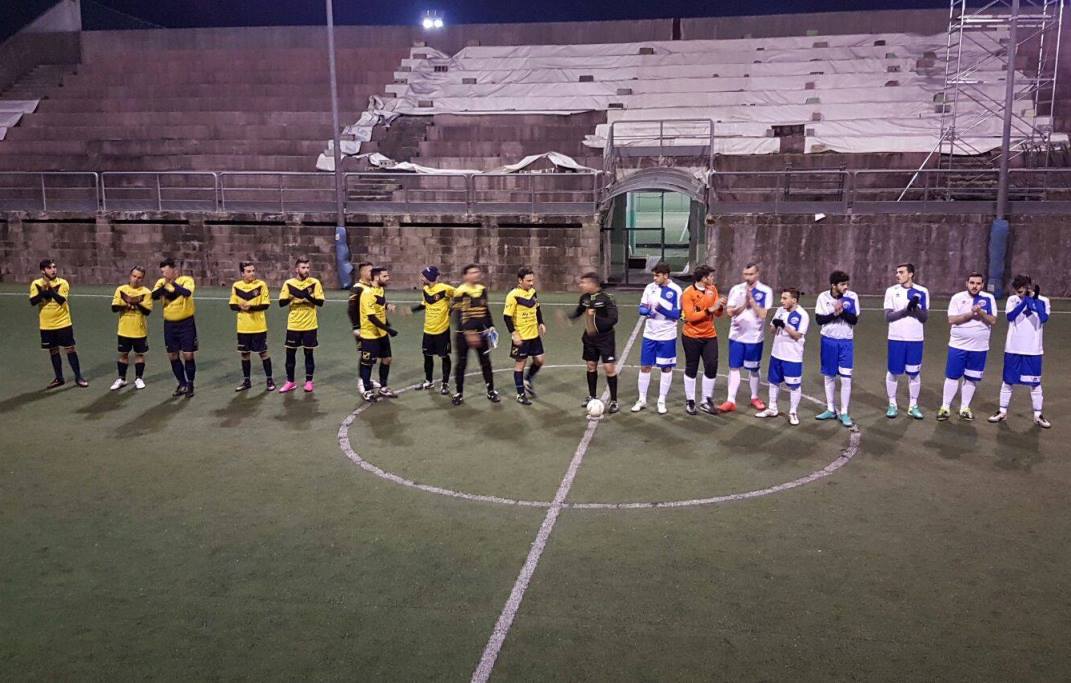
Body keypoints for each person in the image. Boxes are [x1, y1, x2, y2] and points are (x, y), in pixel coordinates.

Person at [989, 274, 1051, 428]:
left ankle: (1038, 414)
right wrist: (1025, 302)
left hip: (1033, 349)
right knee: (1008, 380)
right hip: (1013, 348)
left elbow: (1043, 318)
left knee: (1035, 383)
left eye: (1022, 290)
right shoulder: (1012, 300)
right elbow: (1011, 317)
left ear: (1029, 287)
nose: (1019, 293)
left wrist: (1034, 301)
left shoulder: (1043, 300)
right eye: (1017, 291)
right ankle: (1002, 411)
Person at [939, 272, 996, 421]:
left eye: (978, 283)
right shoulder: (957, 298)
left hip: (979, 348)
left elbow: (992, 320)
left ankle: (964, 407)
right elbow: (952, 319)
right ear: (967, 283)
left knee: (971, 378)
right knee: (952, 377)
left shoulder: (989, 299)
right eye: (972, 283)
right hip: (958, 346)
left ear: (982, 285)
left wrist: (981, 312)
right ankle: (945, 407)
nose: (974, 286)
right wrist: (971, 314)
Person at [719, 262, 774, 413]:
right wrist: (744, 305)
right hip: (736, 336)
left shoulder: (765, 291)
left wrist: (753, 303)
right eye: (745, 274)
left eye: (750, 274)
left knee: (754, 369)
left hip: (754, 338)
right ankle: (731, 400)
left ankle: (755, 397)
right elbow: (729, 312)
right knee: (734, 367)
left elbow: (763, 314)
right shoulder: (736, 289)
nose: (747, 277)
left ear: (757, 274)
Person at [632, 262, 682, 415]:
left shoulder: (676, 290)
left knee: (666, 368)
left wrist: (661, 309)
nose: (654, 278)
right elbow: (642, 307)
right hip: (650, 334)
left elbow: (677, 315)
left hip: (667, 335)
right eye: (654, 275)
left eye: (657, 275)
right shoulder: (650, 288)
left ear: (665, 275)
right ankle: (642, 399)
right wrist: (647, 312)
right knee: (645, 366)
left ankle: (661, 400)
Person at [29, 258, 87, 389]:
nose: (53, 270)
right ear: (43, 270)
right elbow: (33, 301)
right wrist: (43, 292)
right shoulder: (35, 284)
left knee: (70, 349)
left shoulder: (63, 283)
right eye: (49, 268)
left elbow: (61, 300)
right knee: (53, 351)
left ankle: (79, 376)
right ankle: (59, 378)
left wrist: (50, 290)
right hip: (46, 325)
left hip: (63, 323)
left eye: (54, 267)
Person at [756, 288, 809, 426]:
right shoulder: (780, 311)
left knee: (794, 385)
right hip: (777, 353)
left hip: (792, 357)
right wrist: (775, 325)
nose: (782, 301)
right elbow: (772, 330)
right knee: (773, 382)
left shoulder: (802, 315)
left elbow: (797, 335)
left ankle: (793, 412)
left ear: (794, 300)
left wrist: (784, 326)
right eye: (782, 298)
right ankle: (772, 408)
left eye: (785, 298)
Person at [568, 271, 620, 414]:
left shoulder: (607, 298)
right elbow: (579, 311)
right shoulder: (584, 298)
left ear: (592, 283)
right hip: (589, 338)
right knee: (591, 366)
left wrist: (596, 318)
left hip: (605, 338)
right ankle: (592, 396)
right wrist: (569, 317)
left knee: (609, 368)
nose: (581, 285)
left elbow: (613, 319)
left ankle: (614, 400)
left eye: (583, 282)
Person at [814, 270, 860, 427]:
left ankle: (845, 412)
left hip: (846, 342)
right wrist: (835, 313)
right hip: (828, 341)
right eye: (842, 284)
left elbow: (854, 319)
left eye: (847, 284)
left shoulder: (852, 297)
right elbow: (819, 319)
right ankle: (830, 409)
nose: (846, 287)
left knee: (846, 377)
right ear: (834, 285)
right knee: (829, 376)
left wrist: (843, 311)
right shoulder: (823, 297)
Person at [883, 263, 929, 419]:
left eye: (901, 272)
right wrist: (905, 310)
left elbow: (924, 318)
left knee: (914, 373)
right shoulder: (891, 291)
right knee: (893, 372)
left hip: (915, 339)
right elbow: (888, 316)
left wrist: (915, 308)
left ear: (911, 274)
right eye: (897, 272)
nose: (898, 275)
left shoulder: (922, 292)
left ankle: (913, 405)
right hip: (896, 338)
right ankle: (892, 404)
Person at [450, 264, 500, 406]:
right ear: (465, 276)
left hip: (482, 333)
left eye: (477, 272)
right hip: (463, 335)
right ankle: (459, 393)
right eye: (472, 272)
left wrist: (491, 326)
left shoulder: (482, 290)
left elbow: (485, 310)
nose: (476, 275)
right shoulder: (460, 291)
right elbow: (459, 316)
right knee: (461, 363)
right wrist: (469, 333)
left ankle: (491, 390)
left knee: (485, 362)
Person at [680, 265, 724, 415]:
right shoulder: (688, 293)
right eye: (710, 276)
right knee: (691, 367)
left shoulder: (713, 290)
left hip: (709, 335)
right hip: (691, 336)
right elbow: (690, 317)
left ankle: (706, 400)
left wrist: (719, 307)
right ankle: (690, 400)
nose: (713, 279)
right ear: (703, 278)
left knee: (711, 366)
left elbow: (717, 314)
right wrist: (709, 310)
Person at [277, 257, 324, 393]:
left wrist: (306, 297)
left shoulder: (314, 283)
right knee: (290, 354)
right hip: (293, 325)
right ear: (296, 269)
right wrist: (292, 297)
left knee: (308, 354)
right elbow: (281, 303)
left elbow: (320, 302)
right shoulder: (289, 283)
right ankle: (290, 382)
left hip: (310, 325)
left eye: (308, 267)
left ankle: (309, 382)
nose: (306, 270)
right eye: (303, 268)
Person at [151, 257, 197, 397]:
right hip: (170, 324)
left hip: (186, 323)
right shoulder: (161, 282)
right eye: (162, 272)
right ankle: (181, 383)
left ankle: (190, 384)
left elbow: (187, 293)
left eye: (165, 271)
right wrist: (165, 285)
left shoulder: (186, 280)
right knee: (172, 355)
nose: (163, 274)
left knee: (188, 355)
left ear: (173, 270)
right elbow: (153, 295)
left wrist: (173, 283)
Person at [229, 261, 275, 392]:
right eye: (248, 271)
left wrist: (251, 307)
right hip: (243, 327)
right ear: (242, 273)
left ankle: (269, 380)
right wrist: (240, 306)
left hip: (259, 327)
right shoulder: (236, 286)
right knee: (244, 354)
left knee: (263, 353)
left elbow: (266, 304)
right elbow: (232, 305)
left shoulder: (261, 285)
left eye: (253, 270)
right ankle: (247, 381)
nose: (252, 273)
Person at [504, 266, 546, 405]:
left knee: (539, 360)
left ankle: (527, 379)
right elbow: (507, 317)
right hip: (521, 337)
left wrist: (541, 322)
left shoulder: (533, 292)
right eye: (528, 281)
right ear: (520, 280)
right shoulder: (513, 295)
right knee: (520, 364)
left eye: (532, 280)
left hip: (534, 335)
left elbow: (537, 307)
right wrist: (514, 334)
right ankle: (520, 395)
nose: (531, 283)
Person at [412, 265, 455, 395]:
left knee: (444, 356)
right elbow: (425, 304)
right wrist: (411, 310)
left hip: (442, 330)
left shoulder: (445, 289)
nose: (421, 278)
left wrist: (452, 308)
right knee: (427, 356)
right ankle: (428, 381)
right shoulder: (425, 289)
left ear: (430, 277)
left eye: (423, 276)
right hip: (428, 330)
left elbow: (461, 295)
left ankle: (445, 384)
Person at [109, 266, 153, 390]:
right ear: (130, 276)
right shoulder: (121, 289)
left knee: (139, 354)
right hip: (124, 329)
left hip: (139, 330)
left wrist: (137, 302)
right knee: (123, 354)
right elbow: (114, 307)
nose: (136, 279)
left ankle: (139, 378)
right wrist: (127, 303)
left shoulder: (146, 292)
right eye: (134, 276)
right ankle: (121, 379)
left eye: (139, 278)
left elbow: (147, 311)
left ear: (142, 279)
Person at [359, 266, 399, 402]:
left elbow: (379, 302)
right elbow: (371, 317)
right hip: (370, 335)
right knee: (368, 363)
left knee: (387, 359)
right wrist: (389, 329)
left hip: (381, 333)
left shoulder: (380, 289)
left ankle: (383, 387)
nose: (388, 278)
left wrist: (388, 306)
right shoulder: (366, 293)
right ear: (376, 277)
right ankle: (367, 390)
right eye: (385, 276)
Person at [348, 261, 374, 393]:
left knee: (372, 355)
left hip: (372, 328)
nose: (372, 273)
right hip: (362, 328)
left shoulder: (372, 286)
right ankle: (361, 381)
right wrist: (356, 327)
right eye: (370, 271)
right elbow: (351, 309)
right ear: (362, 272)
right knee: (365, 354)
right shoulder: (357, 288)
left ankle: (367, 378)